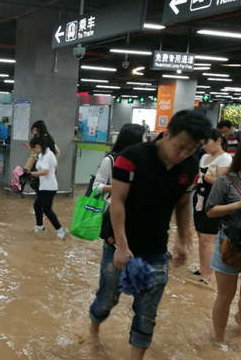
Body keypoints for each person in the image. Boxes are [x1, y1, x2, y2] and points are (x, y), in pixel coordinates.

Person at [89, 110, 212, 360]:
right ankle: (93, 330)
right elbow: (118, 202)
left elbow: (182, 202)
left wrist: (182, 239)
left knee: (146, 314)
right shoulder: (131, 158)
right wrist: (122, 247)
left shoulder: (189, 166)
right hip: (117, 245)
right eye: (180, 147)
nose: (183, 154)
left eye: (190, 150)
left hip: (156, 251)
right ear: (166, 135)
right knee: (107, 300)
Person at [206, 144, 241, 345]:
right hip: (230, 244)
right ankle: (219, 340)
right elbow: (210, 211)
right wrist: (237, 205)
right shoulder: (226, 181)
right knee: (225, 295)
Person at [192, 130, 232, 285]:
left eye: (207, 142)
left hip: (214, 200)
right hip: (199, 198)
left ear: (218, 141)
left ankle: (207, 276)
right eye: (202, 144)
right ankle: (203, 268)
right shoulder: (203, 157)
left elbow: (221, 183)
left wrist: (203, 176)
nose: (204, 146)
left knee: (208, 238)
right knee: (201, 237)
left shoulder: (225, 158)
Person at [92, 124, 146, 205]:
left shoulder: (143, 161)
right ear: (134, 141)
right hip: (114, 208)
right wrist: (117, 188)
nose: (146, 141)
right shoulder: (110, 160)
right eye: (144, 138)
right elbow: (95, 187)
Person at [29, 137, 67, 239]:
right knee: (37, 205)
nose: (34, 152)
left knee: (46, 209)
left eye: (34, 149)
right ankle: (40, 226)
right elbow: (55, 168)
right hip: (44, 186)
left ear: (38, 146)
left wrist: (32, 174)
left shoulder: (47, 155)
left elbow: (45, 171)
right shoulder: (42, 155)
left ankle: (60, 229)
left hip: (49, 187)